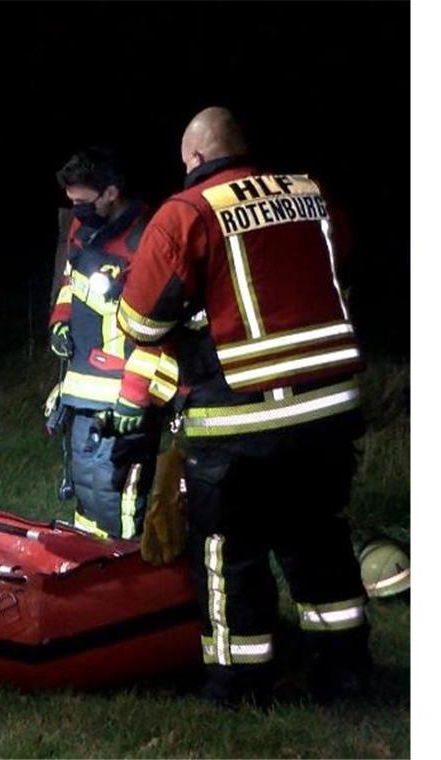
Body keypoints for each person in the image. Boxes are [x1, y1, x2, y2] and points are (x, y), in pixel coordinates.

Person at [115, 106, 371, 706]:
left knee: (229, 553)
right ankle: (346, 671)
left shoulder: (188, 212)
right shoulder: (309, 193)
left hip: (241, 420)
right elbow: (332, 266)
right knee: (318, 540)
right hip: (331, 410)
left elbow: (140, 317)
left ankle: (238, 684)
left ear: (196, 158)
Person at [46, 147, 176, 539]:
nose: (77, 210)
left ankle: (130, 570)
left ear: (111, 192)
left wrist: (135, 394)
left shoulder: (148, 240)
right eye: (71, 202)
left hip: (127, 392)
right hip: (84, 385)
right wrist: (60, 322)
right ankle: (90, 558)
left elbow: (158, 324)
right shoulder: (82, 229)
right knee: (87, 486)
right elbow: (73, 282)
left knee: (118, 488)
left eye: (84, 201)